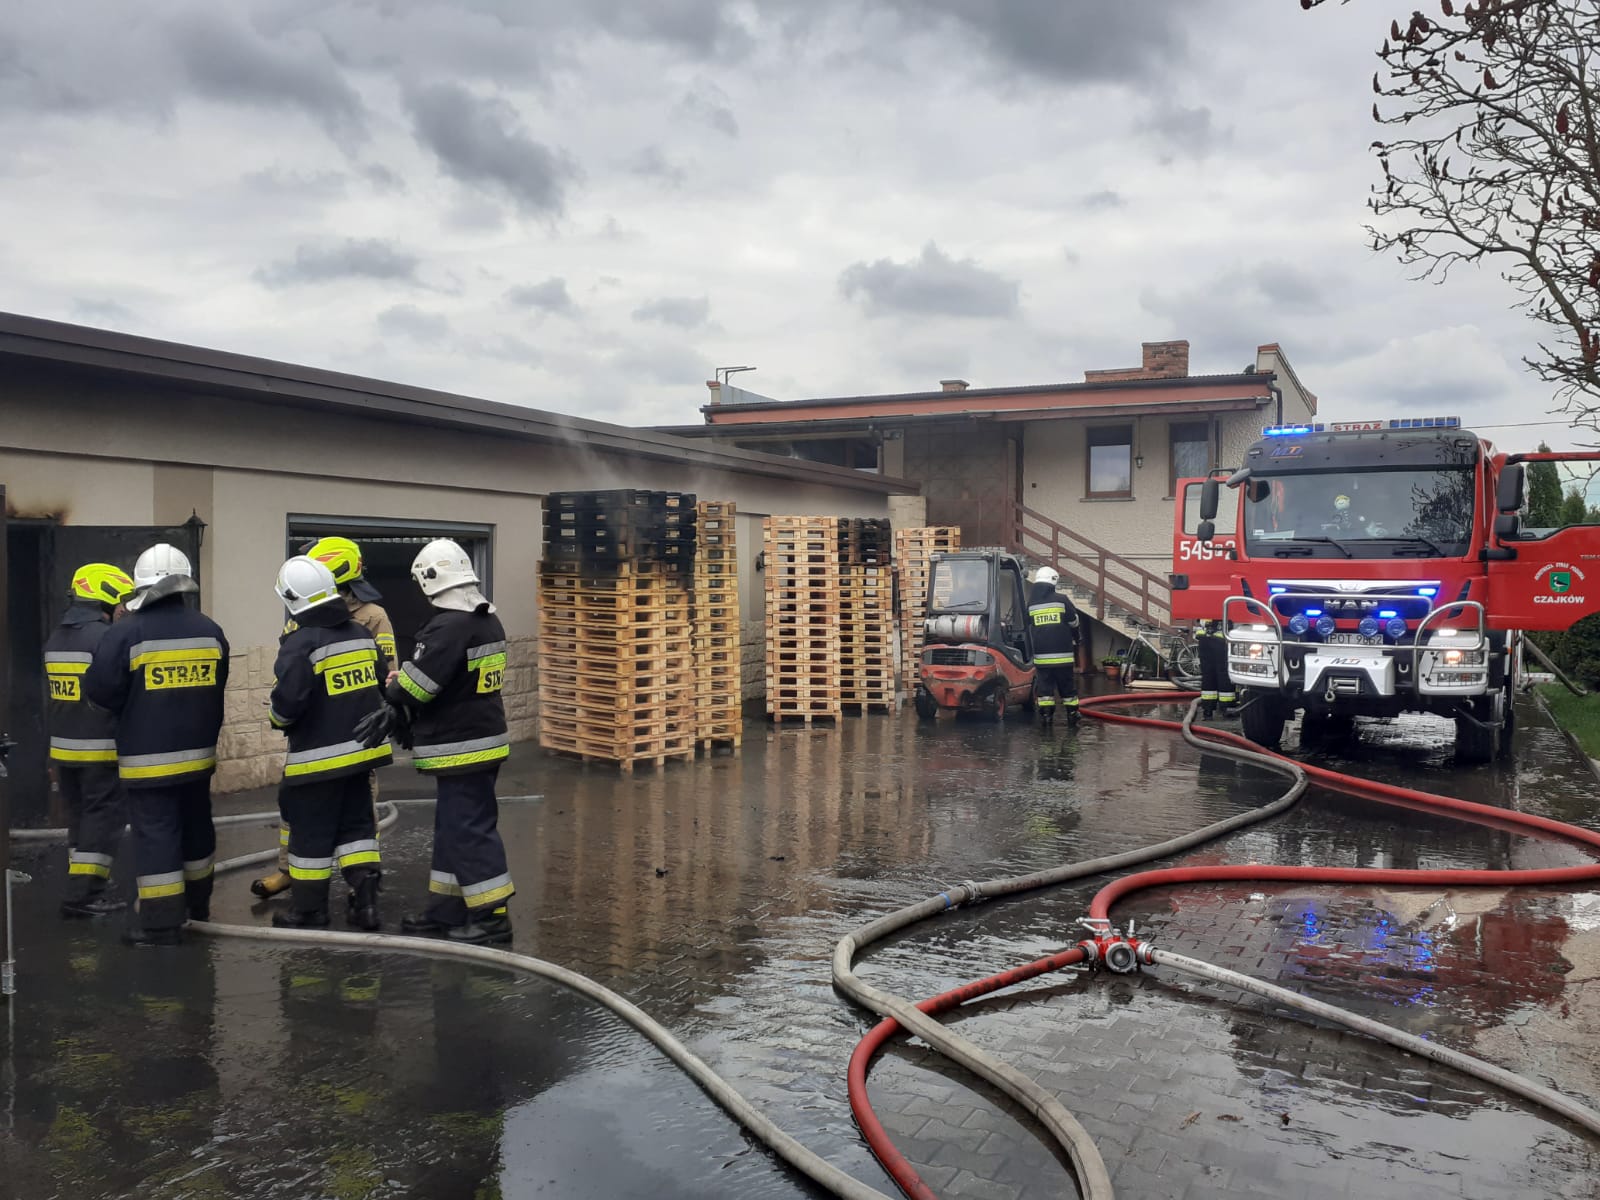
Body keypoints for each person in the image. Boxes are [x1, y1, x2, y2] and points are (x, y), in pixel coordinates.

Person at [360, 539, 512, 945]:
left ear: (429, 580)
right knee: (451, 830)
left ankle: (493, 918)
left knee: (469, 831)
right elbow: (456, 678)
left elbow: (421, 685)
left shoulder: (449, 626)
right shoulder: (486, 619)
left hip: (461, 745)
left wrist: (395, 691)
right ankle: (445, 911)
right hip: (480, 739)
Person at [84, 544, 228, 947]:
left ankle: (161, 925)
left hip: (148, 761)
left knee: (156, 835)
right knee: (197, 829)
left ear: (141, 586)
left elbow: (100, 694)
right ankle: (198, 906)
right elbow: (218, 684)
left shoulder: (125, 633)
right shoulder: (210, 629)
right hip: (199, 758)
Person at [251, 536, 396, 900]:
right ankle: (288, 869)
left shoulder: (372, 617)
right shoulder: (302, 616)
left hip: (357, 734)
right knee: (294, 806)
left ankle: (363, 881)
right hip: (310, 733)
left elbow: (386, 677)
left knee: (359, 812)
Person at [45, 562, 136, 918]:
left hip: (63, 748)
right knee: (102, 819)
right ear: (105, 598)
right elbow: (119, 689)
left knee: (79, 819)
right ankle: (85, 895)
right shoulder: (104, 637)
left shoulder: (57, 637)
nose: (124, 608)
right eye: (121, 601)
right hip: (100, 747)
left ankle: (82, 884)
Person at [1027, 567, 1080, 728]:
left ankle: (1046, 718)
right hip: (1063, 657)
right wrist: (1077, 638)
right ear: (1053, 581)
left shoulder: (1031, 604)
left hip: (1042, 659)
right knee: (1067, 688)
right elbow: (1074, 622)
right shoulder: (1062, 600)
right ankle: (1072, 715)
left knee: (1045, 691)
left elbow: (1027, 625)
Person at [1195, 619, 1234, 719]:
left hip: (1203, 639)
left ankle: (1208, 711)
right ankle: (1226, 709)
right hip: (1221, 641)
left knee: (1208, 675)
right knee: (1223, 674)